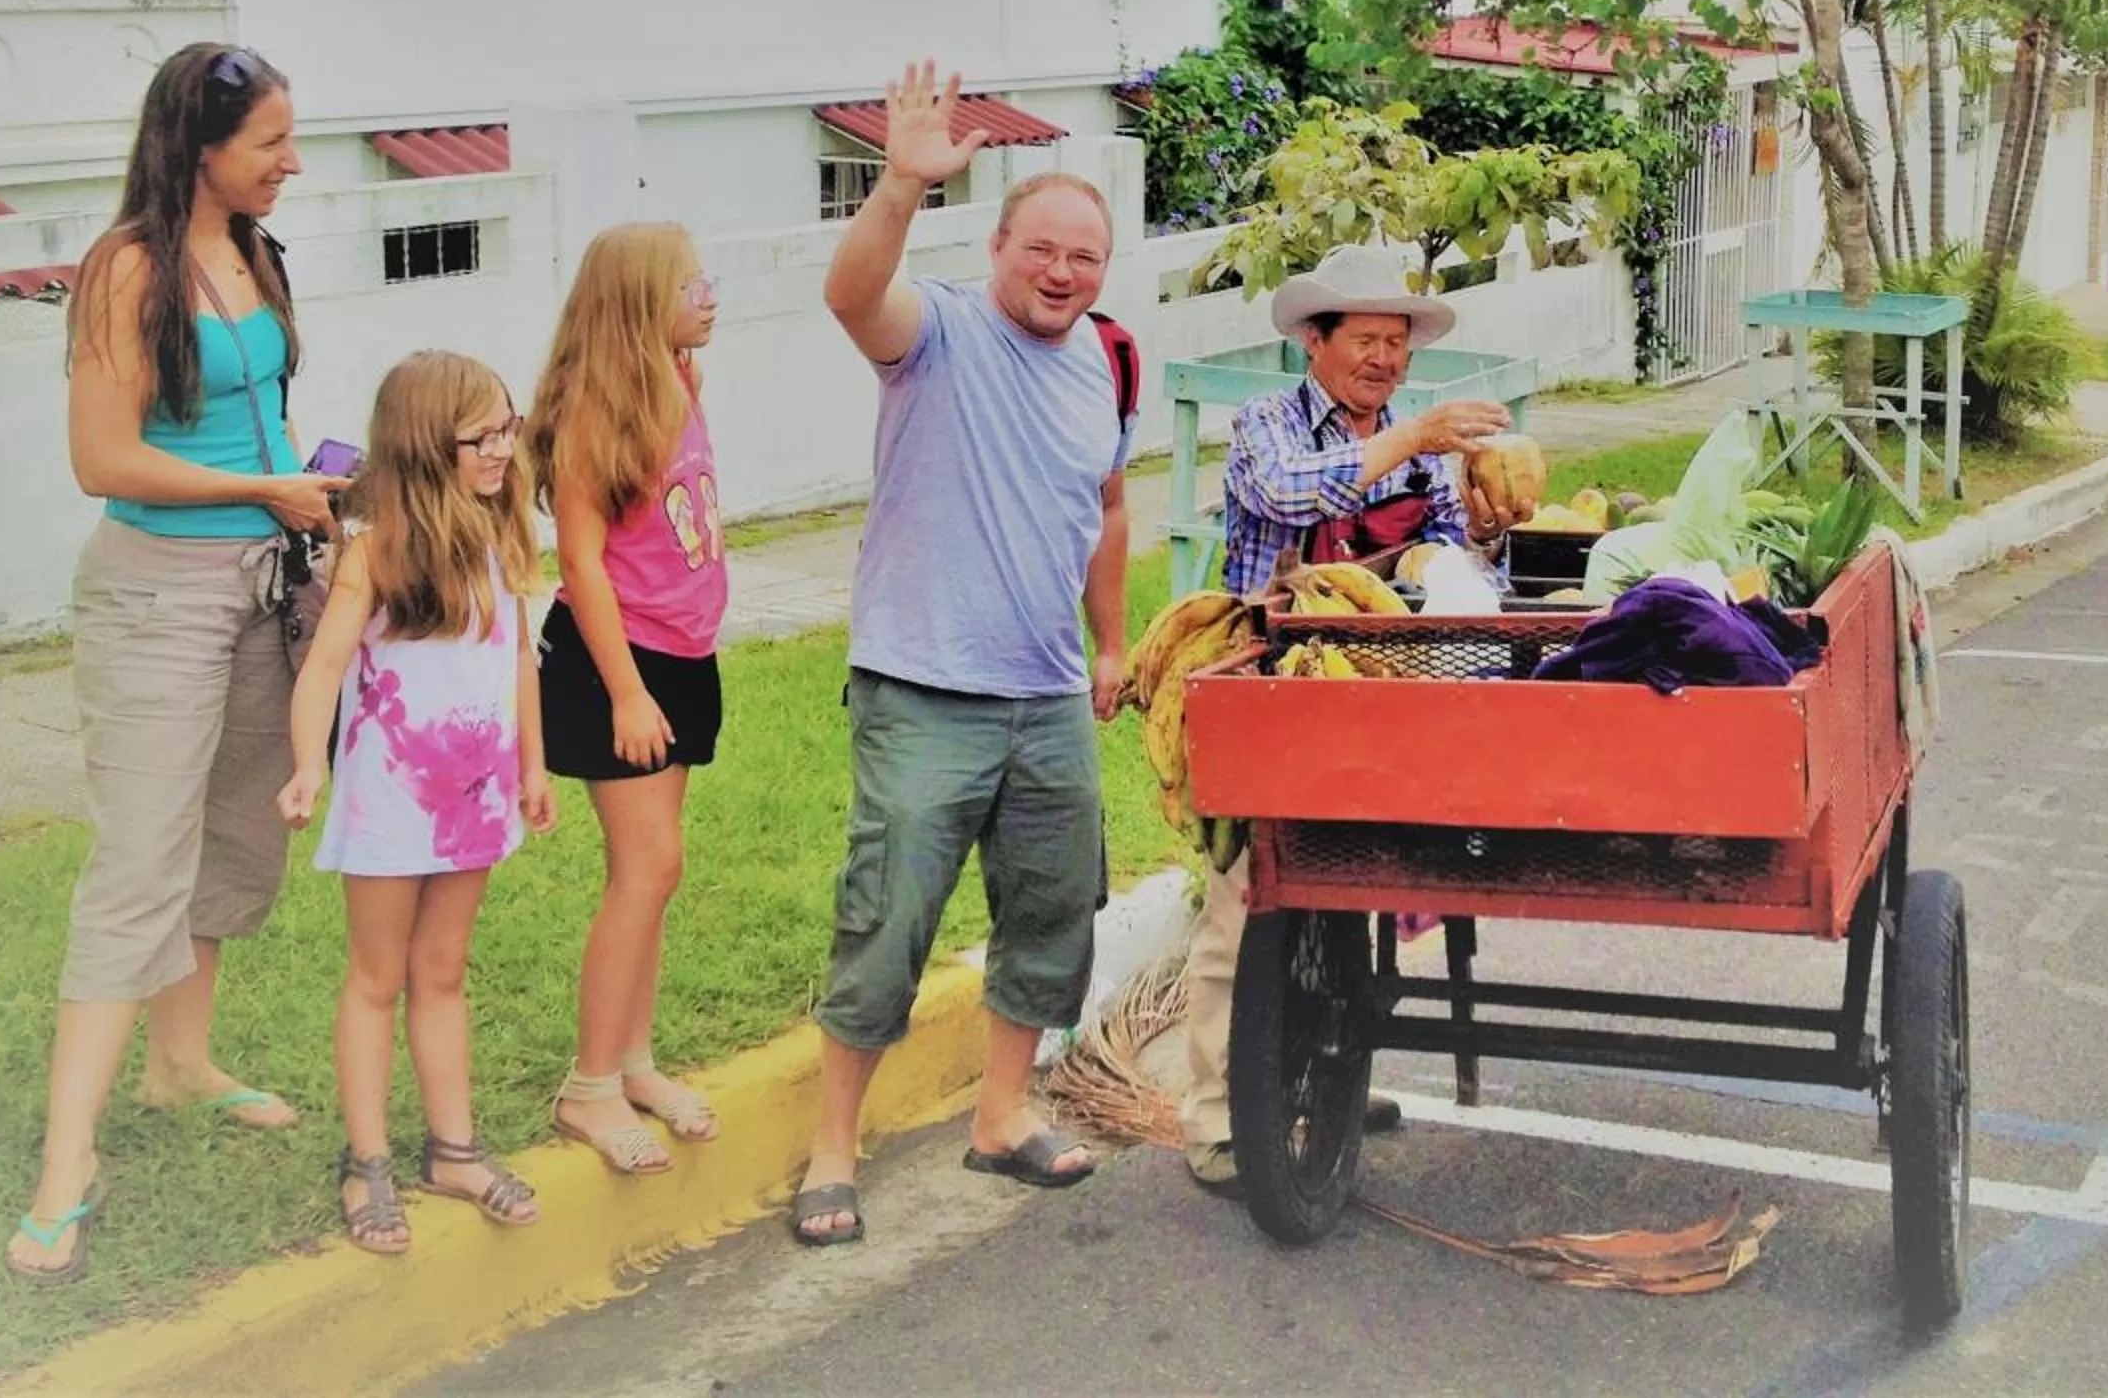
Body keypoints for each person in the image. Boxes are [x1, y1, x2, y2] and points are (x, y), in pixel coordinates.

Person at [7, 43, 351, 1284]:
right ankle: (67, 1163)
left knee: (232, 831)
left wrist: (305, 501)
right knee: (140, 860)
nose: (292, 162)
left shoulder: (255, 251)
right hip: (158, 595)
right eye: (270, 143)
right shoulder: (129, 269)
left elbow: (256, 415)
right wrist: (260, 489)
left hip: (264, 583)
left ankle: (180, 1063)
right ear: (198, 149)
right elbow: (102, 459)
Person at [791, 63, 1130, 1246]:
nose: (1061, 272)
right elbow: (850, 295)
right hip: (926, 689)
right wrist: (898, 184)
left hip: (1047, 695)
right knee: (888, 919)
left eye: (1085, 257)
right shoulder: (935, 331)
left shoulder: (1102, 362)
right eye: (1041, 249)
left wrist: (1110, 643)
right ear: (996, 248)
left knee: (1051, 913)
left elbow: (1106, 506)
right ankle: (833, 1148)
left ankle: (1000, 1115)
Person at [1183, 242, 1511, 1192]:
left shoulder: (1417, 445)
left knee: (1349, 891)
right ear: (1314, 343)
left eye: (1397, 345)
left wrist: (1482, 534)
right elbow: (1289, 493)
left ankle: (1327, 1068)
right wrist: (1411, 443)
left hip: (1375, 692)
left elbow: (1451, 560)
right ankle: (1214, 1120)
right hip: (1273, 690)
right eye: (1366, 340)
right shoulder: (1266, 425)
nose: (1385, 360)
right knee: (1245, 902)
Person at [278, 351, 554, 1252]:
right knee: (377, 977)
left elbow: (518, 660)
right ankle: (366, 1163)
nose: (503, 449)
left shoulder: (501, 535)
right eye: (482, 437)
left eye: (508, 428)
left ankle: (454, 1151)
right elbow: (325, 666)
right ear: (426, 445)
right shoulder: (375, 552)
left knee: (443, 972)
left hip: (473, 798)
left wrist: (533, 766)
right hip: (389, 805)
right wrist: (308, 766)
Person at [525, 224, 732, 1174]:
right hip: (619, 665)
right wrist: (627, 694)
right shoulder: (593, 416)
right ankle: (590, 1087)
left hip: (681, 655)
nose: (708, 296)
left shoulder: (679, 379)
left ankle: (636, 1064)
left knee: (658, 871)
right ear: (640, 302)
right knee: (645, 868)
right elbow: (579, 563)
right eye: (689, 284)